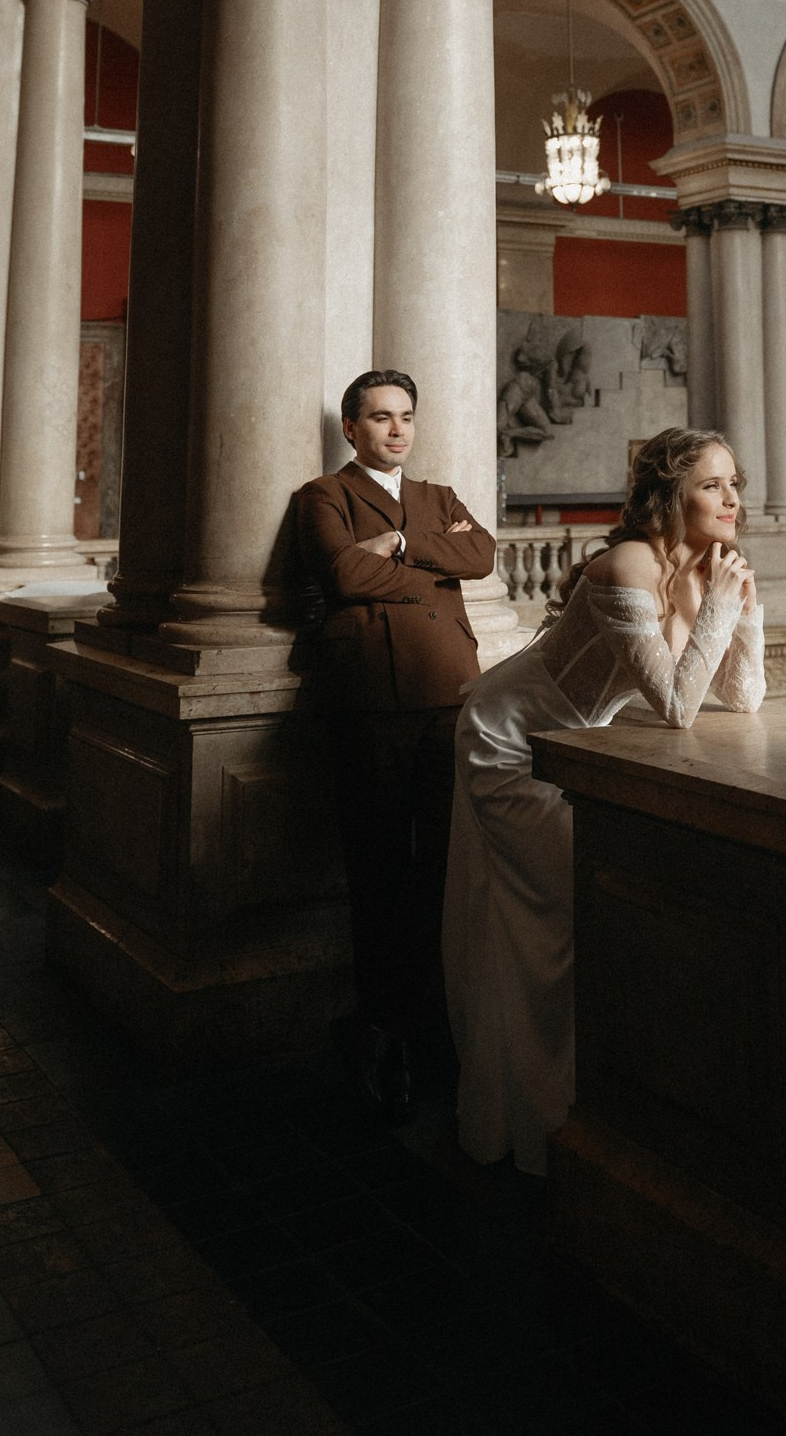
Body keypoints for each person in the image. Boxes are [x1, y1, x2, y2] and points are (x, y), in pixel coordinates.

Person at [443, 426, 765, 1176]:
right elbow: (679, 706)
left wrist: (744, 607)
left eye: (735, 485)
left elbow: (743, 696)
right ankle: (546, 1121)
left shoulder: (705, 574)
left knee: (582, 922)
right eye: (714, 485)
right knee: (565, 920)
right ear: (669, 493)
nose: (733, 500)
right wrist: (718, 606)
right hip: (511, 743)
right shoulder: (627, 565)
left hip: (582, 749)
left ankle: (586, 1113)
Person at [297, 371, 496, 1124]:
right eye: (380, 418)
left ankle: (419, 1021)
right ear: (352, 428)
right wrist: (422, 558)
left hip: (449, 692)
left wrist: (404, 542)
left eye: (406, 417)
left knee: (441, 865)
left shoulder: (437, 498)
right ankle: (382, 1027)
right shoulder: (325, 496)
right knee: (378, 865)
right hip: (372, 699)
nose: (397, 430)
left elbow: (483, 558)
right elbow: (345, 572)